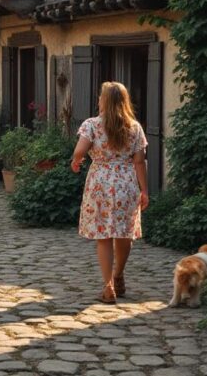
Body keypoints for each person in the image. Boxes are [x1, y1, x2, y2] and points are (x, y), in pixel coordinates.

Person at [70, 81, 149, 304]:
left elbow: (79, 150)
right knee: (124, 233)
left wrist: (76, 161)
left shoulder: (92, 125)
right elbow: (140, 161)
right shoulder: (134, 127)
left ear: (104, 101)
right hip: (126, 183)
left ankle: (108, 287)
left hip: (100, 184)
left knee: (104, 236)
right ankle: (119, 274)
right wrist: (145, 190)